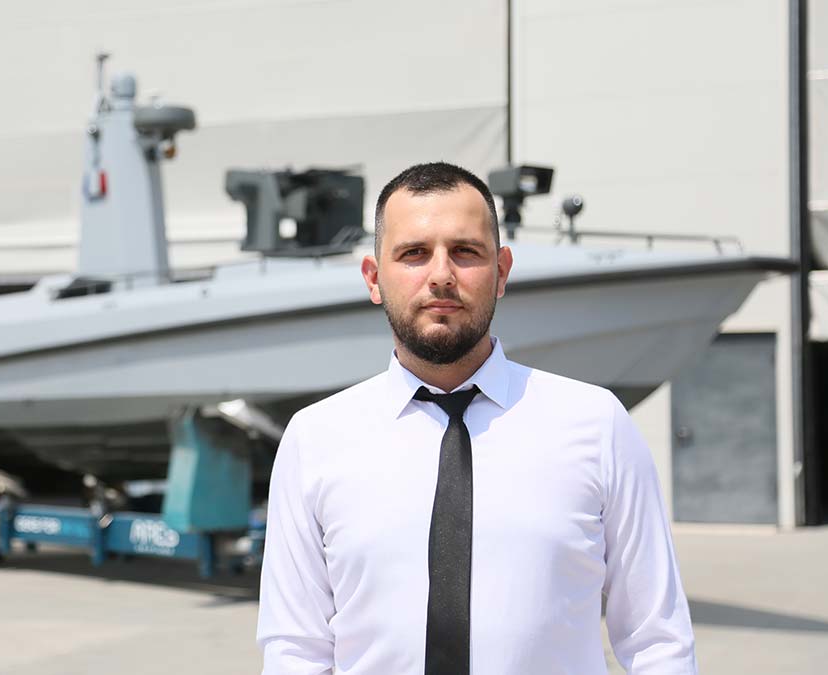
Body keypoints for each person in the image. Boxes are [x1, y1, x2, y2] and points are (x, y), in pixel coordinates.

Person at [256, 162, 697, 674]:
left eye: (465, 251)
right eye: (414, 253)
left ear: (502, 272)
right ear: (374, 278)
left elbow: (657, 640)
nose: (441, 275)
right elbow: (296, 649)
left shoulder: (598, 425)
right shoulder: (315, 439)